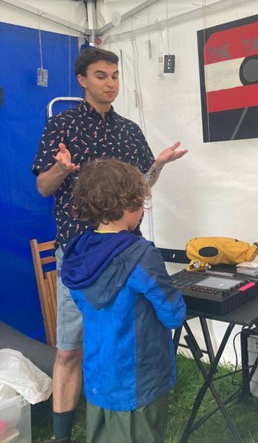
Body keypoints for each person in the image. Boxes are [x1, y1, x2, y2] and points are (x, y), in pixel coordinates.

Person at [32, 47, 187, 443]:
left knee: (120, 342)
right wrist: (60, 169)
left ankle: (118, 412)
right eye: (101, 75)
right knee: (69, 350)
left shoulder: (129, 131)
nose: (111, 83)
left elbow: (140, 188)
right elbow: (43, 187)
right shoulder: (61, 126)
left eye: (115, 75)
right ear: (82, 80)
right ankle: (62, 435)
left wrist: (159, 166)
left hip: (124, 256)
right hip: (79, 253)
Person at [61, 158, 186, 443]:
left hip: (98, 376)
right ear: (130, 205)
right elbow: (173, 314)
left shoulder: (78, 252)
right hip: (138, 380)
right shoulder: (141, 254)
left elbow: (84, 302)